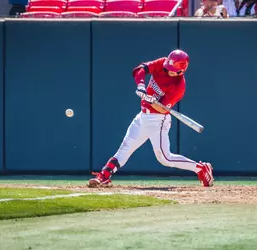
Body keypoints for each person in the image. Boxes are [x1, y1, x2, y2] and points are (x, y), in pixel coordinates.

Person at [88, 50, 214, 188]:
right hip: (142, 117)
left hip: (158, 120)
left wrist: (151, 100)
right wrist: (141, 86)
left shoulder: (179, 86)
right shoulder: (162, 63)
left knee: (165, 158)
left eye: (173, 70)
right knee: (125, 148)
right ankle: (104, 176)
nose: (168, 70)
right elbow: (140, 69)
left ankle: (201, 168)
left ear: (181, 71)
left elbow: (162, 108)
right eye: (168, 67)